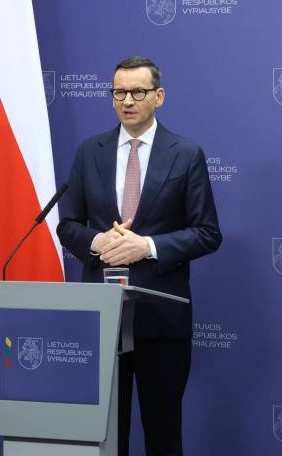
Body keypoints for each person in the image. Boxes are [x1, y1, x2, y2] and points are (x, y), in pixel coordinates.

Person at [57, 56, 222, 456]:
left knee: (162, 436)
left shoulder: (186, 153)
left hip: (160, 318)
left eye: (137, 92)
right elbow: (68, 225)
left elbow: (207, 233)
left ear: (158, 96)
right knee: (105, 438)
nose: (127, 101)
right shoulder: (89, 151)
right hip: (101, 317)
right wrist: (97, 242)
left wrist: (146, 246)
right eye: (119, 92)